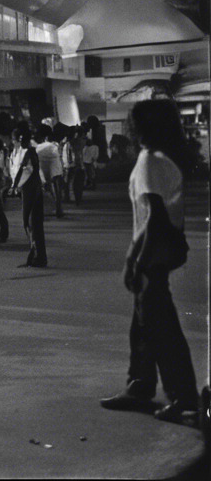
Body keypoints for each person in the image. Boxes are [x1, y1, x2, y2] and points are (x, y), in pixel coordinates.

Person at [100, 100, 200, 425]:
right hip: (165, 249)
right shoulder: (163, 159)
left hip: (155, 252)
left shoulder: (148, 163)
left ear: (138, 128)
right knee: (144, 322)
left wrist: (135, 260)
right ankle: (140, 384)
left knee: (160, 326)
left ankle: (183, 398)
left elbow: (153, 219)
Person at [11, 124, 47, 268]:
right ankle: (36, 255)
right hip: (32, 188)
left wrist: (15, 186)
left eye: (14, 139)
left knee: (30, 222)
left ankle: (38, 256)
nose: (12, 142)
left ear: (19, 139)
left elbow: (24, 172)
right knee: (33, 223)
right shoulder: (28, 152)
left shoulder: (28, 153)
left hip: (30, 189)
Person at [35, 123, 65, 218]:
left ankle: (43, 210)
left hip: (42, 170)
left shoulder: (37, 147)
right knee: (57, 190)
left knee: (43, 190)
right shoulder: (55, 145)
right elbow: (59, 157)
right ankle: (58, 209)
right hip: (55, 169)